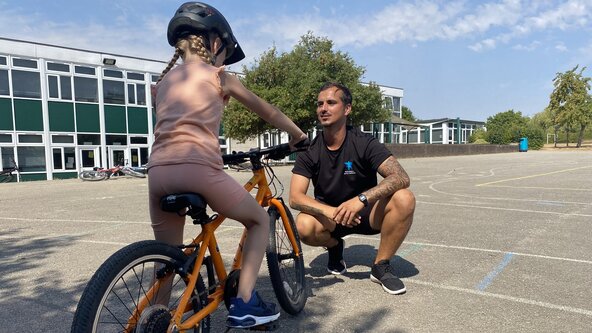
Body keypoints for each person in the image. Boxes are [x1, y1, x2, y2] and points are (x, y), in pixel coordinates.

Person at [147, 2, 308, 328]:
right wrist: (297, 135)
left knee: (165, 258)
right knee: (260, 221)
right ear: (216, 44)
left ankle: (156, 316)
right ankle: (245, 301)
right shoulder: (220, 76)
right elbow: (270, 112)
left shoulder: (161, 84)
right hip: (198, 168)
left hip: (158, 173)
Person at [289, 82, 415, 295]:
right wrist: (331, 211)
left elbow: (401, 177)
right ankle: (334, 246)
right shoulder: (311, 149)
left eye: (331, 102)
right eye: (320, 104)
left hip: (365, 214)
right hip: (331, 218)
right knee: (303, 224)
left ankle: (381, 265)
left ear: (347, 109)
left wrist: (360, 200)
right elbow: (295, 197)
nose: (323, 108)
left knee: (405, 198)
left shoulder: (364, 142)